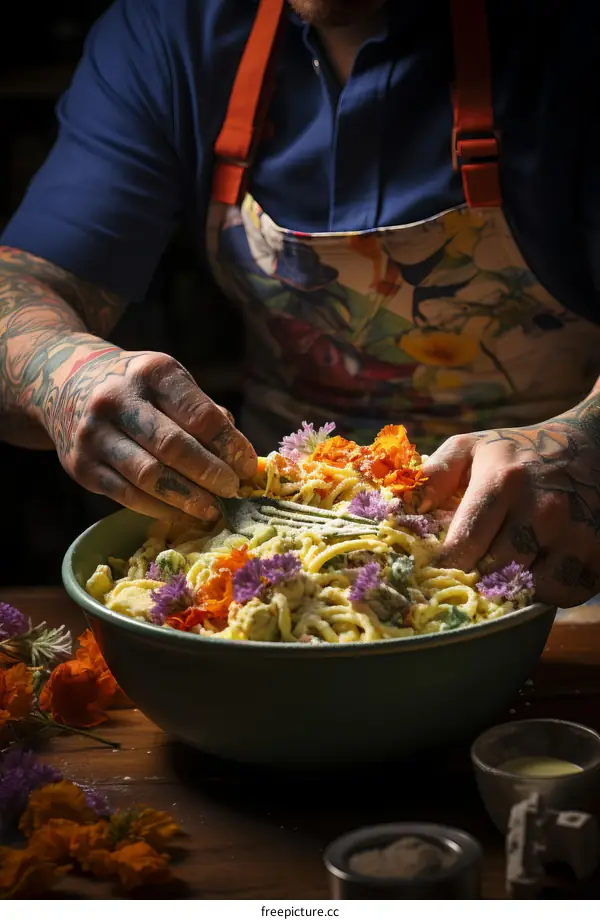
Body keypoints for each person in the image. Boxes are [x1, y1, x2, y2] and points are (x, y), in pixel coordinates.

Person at [1, 0, 599, 608]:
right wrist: (66, 372)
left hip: (554, 548)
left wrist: (587, 439)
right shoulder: (170, 29)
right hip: (265, 539)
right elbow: (22, 283)